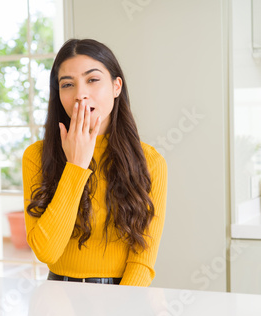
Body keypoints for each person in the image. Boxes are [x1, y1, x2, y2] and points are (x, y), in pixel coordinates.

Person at [22, 39, 168, 286]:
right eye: (67, 84)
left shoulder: (150, 162)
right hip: (57, 298)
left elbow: (142, 261)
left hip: (122, 297)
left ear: (116, 86)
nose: (80, 94)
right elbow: (47, 252)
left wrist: (119, 314)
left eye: (92, 80)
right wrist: (76, 167)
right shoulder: (36, 156)